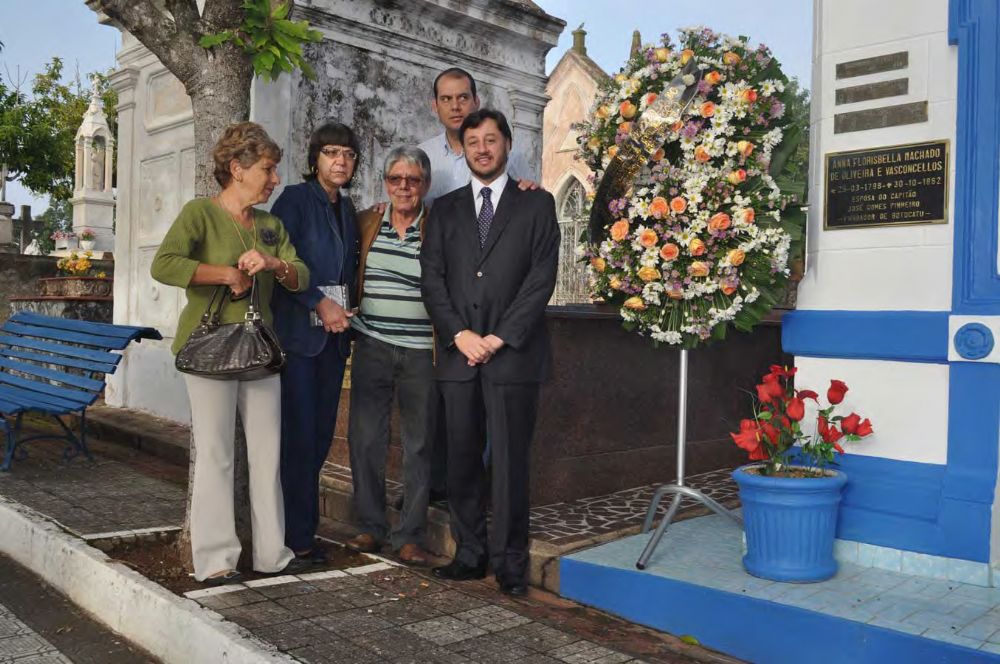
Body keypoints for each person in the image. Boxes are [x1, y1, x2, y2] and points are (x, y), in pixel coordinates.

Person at [151, 121, 309, 585]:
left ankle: (272, 554)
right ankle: (216, 560)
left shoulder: (269, 225)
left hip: (260, 350)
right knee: (217, 454)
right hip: (209, 350)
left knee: (267, 454)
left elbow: (300, 274)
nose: (275, 178)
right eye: (268, 169)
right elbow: (164, 264)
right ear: (237, 168)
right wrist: (225, 274)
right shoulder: (200, 212)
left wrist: (273, 263)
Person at [420, 109, 560, 596]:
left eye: (491, 140)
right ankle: (469, 554)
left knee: (509, 463)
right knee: (460, 461)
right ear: (464, 149)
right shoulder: (445, 209)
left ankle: (510, 565)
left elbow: (541, 279)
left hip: (513, 357)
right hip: (458, 357)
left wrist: (498, 338)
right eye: (473, 141)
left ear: (507, 144)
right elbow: (432, 279)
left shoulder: (536, 204)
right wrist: (459, 334)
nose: (482, 149)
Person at [270, 122, 360, 565]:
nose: (340, 161)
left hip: (333, 341)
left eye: (348, 154)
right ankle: (295, 537)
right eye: (331, 152)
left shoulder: (347, 207)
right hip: (299, 341)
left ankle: (301, 529)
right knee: (299, 439)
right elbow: (279, 265)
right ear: (315, 159)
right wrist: (317, 302)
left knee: (321, 437)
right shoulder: (294, 200)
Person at [344, 147, 435, 566]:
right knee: (365, 438)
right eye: (396, 179)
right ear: (385, 183)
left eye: (412, 180)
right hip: (371, 345)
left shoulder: (438, 226)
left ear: (425, 185)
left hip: (422, 352)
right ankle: (370, 525)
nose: (404, 187)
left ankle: (410, 536)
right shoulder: (367, 221)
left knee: (420, 444)